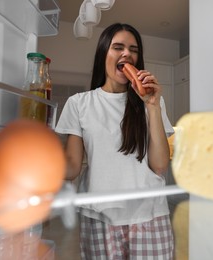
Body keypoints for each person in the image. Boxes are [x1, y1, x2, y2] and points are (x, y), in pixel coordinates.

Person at [55, 23, 175, 259]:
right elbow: (71, 166)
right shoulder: (79, 103)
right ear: (103, 54)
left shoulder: (152, 101)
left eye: (133, 49)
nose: (127, 54)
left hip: (150, 215)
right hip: (99, 217)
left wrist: (151, 106)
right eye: (118, 47)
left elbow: (160, 165)